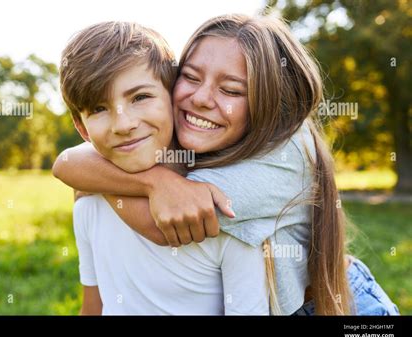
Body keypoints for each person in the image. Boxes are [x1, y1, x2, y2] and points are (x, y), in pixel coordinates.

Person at [56, 15, 399, 315]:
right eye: (190, 77)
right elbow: (68, 161)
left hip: (334, 306)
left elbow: (165, 225)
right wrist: (156, 182)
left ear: (266, 104)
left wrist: (119, 183)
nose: (202, 98)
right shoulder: (192, 141)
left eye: (231, 90)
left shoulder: (284, 157)